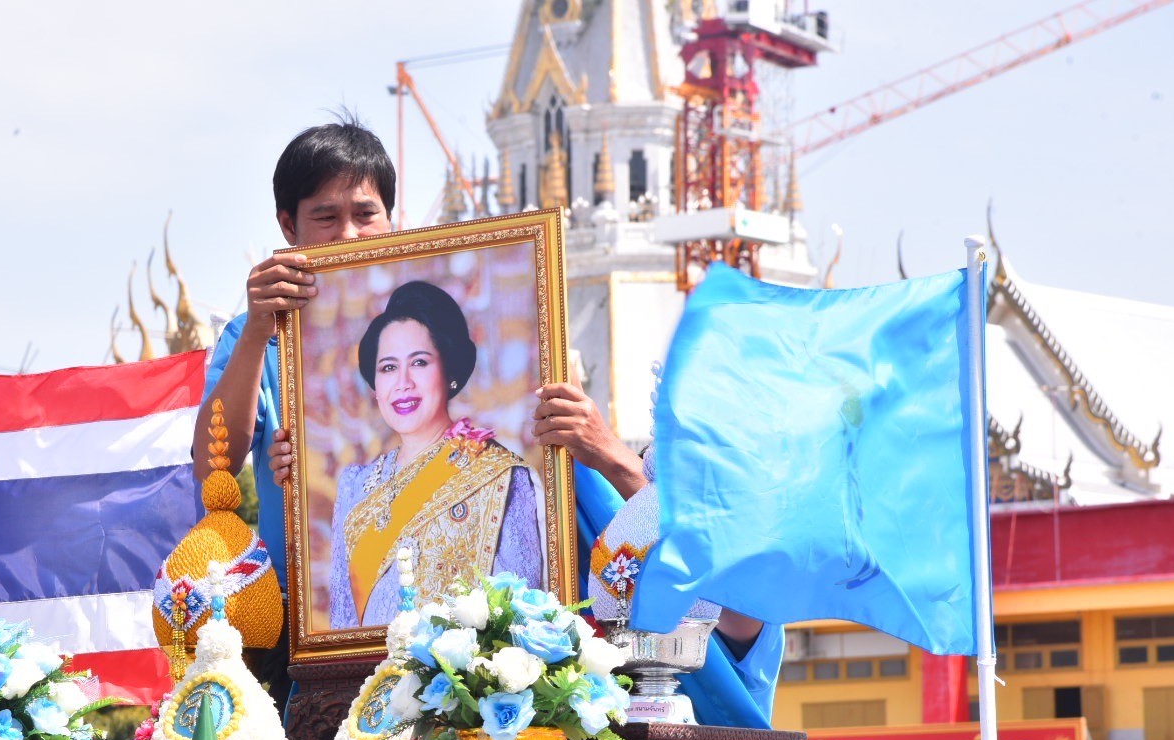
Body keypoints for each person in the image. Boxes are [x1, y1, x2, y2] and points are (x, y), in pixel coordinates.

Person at [193, 115, 762, 651]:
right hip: (320, 657)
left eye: (365, 214)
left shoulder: (504, 471)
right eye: (325, 217)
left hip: (482, 679)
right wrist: (259, 339)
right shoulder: (266, 344)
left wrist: (608, 456)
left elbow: (532, 584)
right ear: (288, 226)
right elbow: (213, 469)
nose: (348, 235)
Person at [328, 280, 540, 628]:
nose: (403, 383)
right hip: (369, 680)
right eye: (388, 368)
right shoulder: (354, 485)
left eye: (420, 362)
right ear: (375, 386)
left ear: (450, 371)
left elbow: (519, 615)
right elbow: (342, 623)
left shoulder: (499, 475)